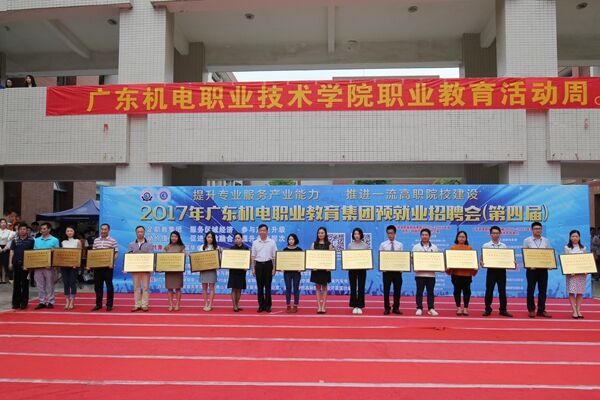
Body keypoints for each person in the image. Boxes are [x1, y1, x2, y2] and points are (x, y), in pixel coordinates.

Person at [482, 226, 513, 317]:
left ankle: (503, 310)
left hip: (501, 271)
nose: (495, 235)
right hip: (491, 271)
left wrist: (511, 262)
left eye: (497, 233)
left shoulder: (504, 246)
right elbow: (482, 259)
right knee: (489, 290)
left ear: (500, 234)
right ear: (490, 234)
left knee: (502, 291)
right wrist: (481, 262)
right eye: (493, 233)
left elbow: (507, 258)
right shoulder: (486, 245)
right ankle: (487, 309)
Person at [523, 222, 552, 318]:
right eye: (535, 228)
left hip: (543, 269)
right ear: (532, 230)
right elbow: (525, 254)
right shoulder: (527, 240)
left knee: (543, 290)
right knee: (530, 290)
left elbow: (548, 254)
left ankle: (541, 310)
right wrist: (528, 265)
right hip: (532, 269)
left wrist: (550, 264)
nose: (538, 230)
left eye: (539, 228)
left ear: (541, 229)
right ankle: (531, 309)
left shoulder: (546, 241)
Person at [447, 231, 477, 316]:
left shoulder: (470, 248)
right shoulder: (453, 248)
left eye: (463, 237)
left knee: (467, 292)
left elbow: (473, 261)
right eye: (460, 236)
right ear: (457, 238)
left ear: (466, 238)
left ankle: (466, 308)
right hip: (456, 274)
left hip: (467, 274)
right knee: (457, 291)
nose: (461, 238)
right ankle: (458, 308)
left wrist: (475, 266)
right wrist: (448, 266)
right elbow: (449, 260)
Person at [91, 223, 118, 312]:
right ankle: (98, 304)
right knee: (97, 286)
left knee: (109, 286)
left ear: (108, 230)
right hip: (97, 267)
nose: (103, 231)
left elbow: (116, 253)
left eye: (105, 229)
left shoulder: (113, 240)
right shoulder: (96, 240)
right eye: (102, 229)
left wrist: (111, 262)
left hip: (108, 267)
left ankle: (109, 305)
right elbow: (93, 253)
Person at [251, 224, 277, 313]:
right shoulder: (255, 242)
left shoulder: (272, 242)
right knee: (260, 286)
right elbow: (253, 256)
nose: (262, 232)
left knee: (268, 286)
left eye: (264, 230)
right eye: (261, 230)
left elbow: (275, 256)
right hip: (258, 265)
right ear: (258, 231)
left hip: (268, 265)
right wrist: (253, 268)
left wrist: (274, 268)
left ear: (267, 231)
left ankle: (268, 306)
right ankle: (261, 305)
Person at [33, 222, 60, 310]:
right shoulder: (36, 240)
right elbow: (34, 252)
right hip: (38, 265)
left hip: (49, 266)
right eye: (41, 229)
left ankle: (50, 301)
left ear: (49, 229)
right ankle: (42, 301)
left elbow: (57, 253)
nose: (43, 230)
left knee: (49, 284)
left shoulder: (55, 240)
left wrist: (53, 251)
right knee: (40, 284)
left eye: (44, 228)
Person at [413, 228, 439, 316]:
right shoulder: (416, 247)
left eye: (426, 235)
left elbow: (437, 260)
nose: (424, 236)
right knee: (419, 291)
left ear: (429, 236)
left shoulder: (434, 247)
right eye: (423, 235)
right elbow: (412, 259)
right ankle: (419, 308)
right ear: (420, 236)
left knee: (430, 292)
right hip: (419, 274)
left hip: (431, 274)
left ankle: (431, 308)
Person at [127, 226, 153, 312]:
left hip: (146, 270)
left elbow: (151, 257)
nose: (140, 233)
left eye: (141, 231)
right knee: (136, 288)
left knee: (145, 288)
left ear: (144, 232)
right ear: (136, 233)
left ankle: (144, 304)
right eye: (138, 232)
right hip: (135, 269)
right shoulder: (131, 244)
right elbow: (129, 257)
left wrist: (151, 267)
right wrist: (126, 267)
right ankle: (137, 304)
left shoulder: (149, 244)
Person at [378, 225, 403, 315]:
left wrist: (402, 268)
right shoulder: (383, 245)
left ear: (395, 234)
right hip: (387, 271)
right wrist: (382, 268)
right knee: (386, 290)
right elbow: (380, 257)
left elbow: (402, 258)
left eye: (392, 233)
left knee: (397, 290)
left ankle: (396, 307)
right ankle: (386, 308)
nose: (390, 235)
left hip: (397, 271)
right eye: (388, 233)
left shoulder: (400, 245)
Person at [8, 223, 34, 309]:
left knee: (25, 284)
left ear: (27, 230)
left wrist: (30, 265)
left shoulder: (31, 240)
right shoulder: (15, 240)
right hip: (16, 264)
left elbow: (33, 252)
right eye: (20, 229)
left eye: (24, 229)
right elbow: (12, 251)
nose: (22, 231)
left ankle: (24, 303)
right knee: (16, 284)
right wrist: (10, 263)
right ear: (18, 230)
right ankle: (15, 303)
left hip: (26, 265)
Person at [564, 230, 587, 319]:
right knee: (572, 291)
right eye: (573, 236)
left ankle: (578, 310)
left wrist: (586, 270)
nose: (575, 238)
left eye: (576, 236)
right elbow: (565, 261)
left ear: (579, 237)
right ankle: (574, 310)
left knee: (580, 292)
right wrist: (570, 271)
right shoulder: (567, 248)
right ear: (570, 238)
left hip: (581, 274)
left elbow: (586, 260)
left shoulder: (583, 248)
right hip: (571, 274)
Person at [310, 227, 333, 314]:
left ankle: (323, 306)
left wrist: (329, 267)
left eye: (322, 233)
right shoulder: (314, 244)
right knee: (317, 287)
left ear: (325, 234)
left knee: (324, 287)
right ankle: (319, 306)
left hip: (325, 270)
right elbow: (311, 257)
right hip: (316, 269)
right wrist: (312, 266)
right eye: (319, 233)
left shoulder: (329, 245)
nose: (320, 234)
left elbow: (331, 258)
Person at [347, 227, 369, 314]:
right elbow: (348, 257)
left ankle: (360, 305)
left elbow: (367, 258)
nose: (356, 235)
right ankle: (354, 305)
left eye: (358, 234)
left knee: (361, 287)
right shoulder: (350, 245)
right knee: (353, 287)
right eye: (355, 234)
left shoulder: (365, 245)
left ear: (361, 235)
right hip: (352, 269)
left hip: (362, 269)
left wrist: (367, 264)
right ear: (353, 235)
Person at [61, 226, 81, 310]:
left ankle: (72, 301)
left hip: (74, 266)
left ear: (74, 232)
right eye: (68, 231)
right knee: (65, 283)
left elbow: (79, 254)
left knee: (72, 283)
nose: (69, 232)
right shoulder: (63, 242)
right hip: (64, 266)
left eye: (71, 231)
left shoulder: (77, 241)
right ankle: (67, 301)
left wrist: (76, 263)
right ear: (65, 232)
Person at [165, 231, 185, 312]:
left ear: (178, 237)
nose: (174, 238)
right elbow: (163, 259)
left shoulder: (182, 247)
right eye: (172, 236)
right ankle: (170, 304)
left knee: (178, 288)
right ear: (170, 237)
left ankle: (177, 304)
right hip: (169, 271)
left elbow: (183, 258)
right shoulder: (167, 247)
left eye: (175, 236)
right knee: (169, 289)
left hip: (178, 271)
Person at [228, 232, 248, 312]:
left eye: (238, 238)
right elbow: (229, 259)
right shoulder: (231, 248)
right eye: (235, 238)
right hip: (233, 271)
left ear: (242, 239)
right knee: (234, 288)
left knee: (239, 289)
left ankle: (237, 304)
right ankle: (234, 306)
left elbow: (247, 259)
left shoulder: (246, 248)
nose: (237, 240)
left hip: (242, 271)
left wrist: (246, 266)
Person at [282, 233, 302, 313]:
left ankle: (296, 305)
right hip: (287, 273)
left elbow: (301, 261)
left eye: (292, 239)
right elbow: (282, 261)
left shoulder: (299, 250)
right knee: (288, 288)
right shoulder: (285, 250)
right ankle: (288, 305)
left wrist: (301, 268)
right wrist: (282, 267)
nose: (291, 241)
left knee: (296, 288)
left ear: (295, 240)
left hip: (296, 272)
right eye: (289, 239)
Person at [200, 231, 219, 312]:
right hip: (203, 270)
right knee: (204, 287)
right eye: (208, 237)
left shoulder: (216, 248)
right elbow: (198, 258)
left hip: (212, 270)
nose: (210, 238)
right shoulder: (202, 247)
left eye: (211, 237)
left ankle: (210, 304)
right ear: (206, 238)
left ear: (213, 238)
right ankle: (205, 303)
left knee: (211, 288)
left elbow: (219, 259)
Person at [0, 218, 16, 284]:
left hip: (6, 248)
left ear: (6, 224)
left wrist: (5, 248)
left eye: (4, 222)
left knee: (4, 264)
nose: (3, 224)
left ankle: (4, 279)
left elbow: (10, 241)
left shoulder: (10, 232)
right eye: (1, 222)